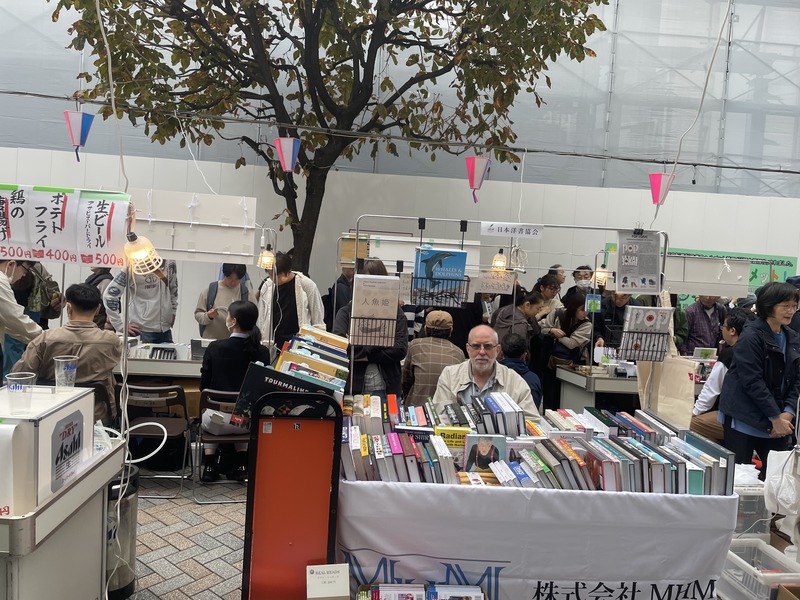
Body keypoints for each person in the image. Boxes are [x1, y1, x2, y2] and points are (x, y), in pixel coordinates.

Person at [719, 282, 800, 479]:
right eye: (785, 306)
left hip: (778, 420)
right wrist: (775, 417)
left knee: (779, 479)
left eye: (794, 306)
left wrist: (788, 412)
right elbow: (752, 381)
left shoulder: (792, 337)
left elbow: (797, 378)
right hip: (744, 416)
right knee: (740, 478)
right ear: (769, 305)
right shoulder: (751, 336)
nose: (791, 311)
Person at [12, 284, 122, 424]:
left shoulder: (44, 339)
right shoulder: (111, 341)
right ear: (98, 309)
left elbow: (19, 375)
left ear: (68, 308)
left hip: (51, 414)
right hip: (96, 417)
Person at [199, 300, 272, 482]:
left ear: (233, 321)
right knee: (242, 411)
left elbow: (203, 387)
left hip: (215, 421)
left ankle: (209, 465)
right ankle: (241, 465)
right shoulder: (262, 351)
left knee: (214, 412)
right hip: (247, 423)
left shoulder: (214, 348)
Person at [432, 324, 540, 421]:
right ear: (468, 349)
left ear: (498, 350)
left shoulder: (514, 381)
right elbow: (440, 417)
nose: (482, 352)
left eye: (488, 346)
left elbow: (532, 420)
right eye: (476, 346)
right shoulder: (449, 375)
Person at [333, 258, 408, 397]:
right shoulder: (346, 312)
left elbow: (400, 350)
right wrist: (383, 343)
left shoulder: (396, 314)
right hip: (352, 387)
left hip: (387, 387)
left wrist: (364, 353)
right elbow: (341, 347)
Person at [690, 308, 753, 442]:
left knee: (690, 424)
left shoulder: (729, 354)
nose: (721, 329)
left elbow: (711, 390)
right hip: (758, 415)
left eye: (723, 326)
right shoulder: (758, 350)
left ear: (732, 331)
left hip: (737, 417)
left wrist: (694, 412)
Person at [257, 251, 326, 350]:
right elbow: (262, 317)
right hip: (273, 342)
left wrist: (316, 343)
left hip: (299, 342)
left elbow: (318, 317)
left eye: (276, 275)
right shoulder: (267, 286)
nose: (272, 279)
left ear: (288, 271)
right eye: (269, 274)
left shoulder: (306, 285)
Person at [103, 259, 179, 343]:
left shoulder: (170, 260)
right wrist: (119, 325)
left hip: (165, 330)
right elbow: (110, 295)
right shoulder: (134, 265)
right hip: (141, 330)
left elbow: (173, 288)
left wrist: (173, 311)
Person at [540, 293, 592, 410]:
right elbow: (543, 329)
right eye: (582, 310)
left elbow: (572, 344)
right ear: (573, 307)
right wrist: (552, 330)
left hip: (571, 364)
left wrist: (556, 336)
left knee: (564, 395)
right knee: (548, 392)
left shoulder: (587, 324)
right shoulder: (557, 313)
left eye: (587, 310)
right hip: (549, 360)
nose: (585, 313)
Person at [401, 310, 464, 407]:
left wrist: (405, 396)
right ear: (450, 330)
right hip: (446, 409)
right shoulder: (459, 353)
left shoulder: (415, 345)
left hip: (418, 407)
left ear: (425, 329)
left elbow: (406, 379)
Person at [0, 258, 42, 378]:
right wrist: (45, 336)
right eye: (26, 269)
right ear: (11, 264)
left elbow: (8, 324)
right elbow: (14, 317)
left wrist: (35, 339)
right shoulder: (1, 281)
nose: (24, 275)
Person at [195, 263, 252, 340]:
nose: (233, 282)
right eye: (230, 278)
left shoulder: (245, 293)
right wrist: (208, 316)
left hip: (235, 342)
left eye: (237, 279)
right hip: (211, 340)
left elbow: (252, 318)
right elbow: (198, 314)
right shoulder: (210, 290)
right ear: (224, 274)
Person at [499, 333, 543, 412]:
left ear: (501, 353)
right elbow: (534, 410)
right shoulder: (533, 379)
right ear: (524, 355)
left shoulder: (494, 375)